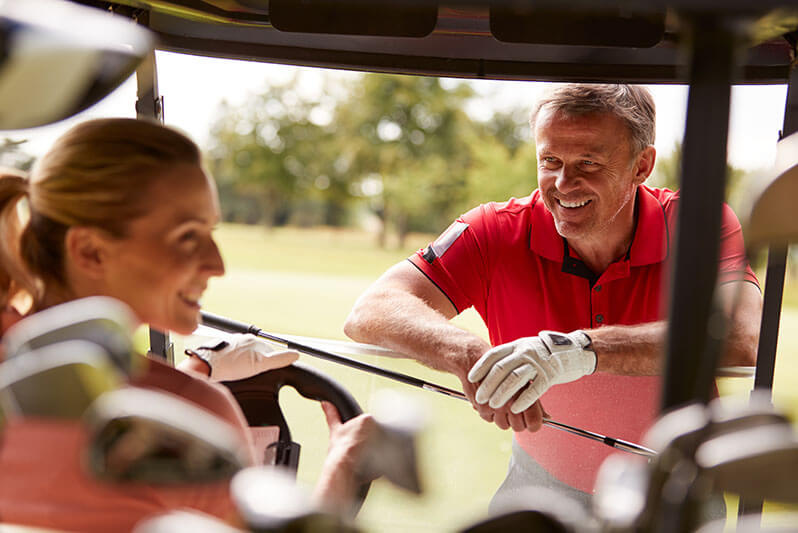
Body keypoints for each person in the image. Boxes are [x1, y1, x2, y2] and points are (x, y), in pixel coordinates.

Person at [344, 84, 762, 512]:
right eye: (550, 161)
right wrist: (471, 356)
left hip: (673, 491)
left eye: (589, 162)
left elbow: (743, 339)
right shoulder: (495, 230)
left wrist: (575, 351)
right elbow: (371, 310)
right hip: (539, 485)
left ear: (642, 165)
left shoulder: (702, 224)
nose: (564, 183)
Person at [0, 118, 375, 532]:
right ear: (89, 251)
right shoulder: (199, 413)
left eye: (210, 232)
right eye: (187, 236)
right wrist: (342, 467)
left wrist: (195, 372)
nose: (217, 264)